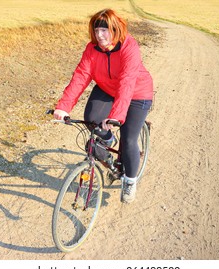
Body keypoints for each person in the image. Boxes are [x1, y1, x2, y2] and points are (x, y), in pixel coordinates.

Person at [54, 9, 153, 203]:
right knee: (91, 118)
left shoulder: (128, 47)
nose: (99, 36)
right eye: (96, 30)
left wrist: (116, 116)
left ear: (115, 29)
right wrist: (63, 107)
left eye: (104, 30)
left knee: (129, 138)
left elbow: (126, 82)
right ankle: (108, 139)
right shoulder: (92, 49)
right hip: (107, 88)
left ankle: (130, 181)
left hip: (137, 93)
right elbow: (81, 76)